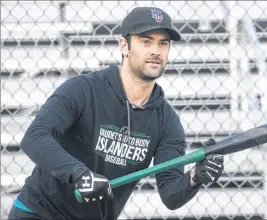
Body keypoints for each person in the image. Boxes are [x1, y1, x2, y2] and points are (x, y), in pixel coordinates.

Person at [7, 6, 224, 220]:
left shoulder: (166, 121)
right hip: (38, 213)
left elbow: (170, 194)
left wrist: (196, 177)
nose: (156, 51)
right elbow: (35, 137)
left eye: (163, 43)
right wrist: (80, 174)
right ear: (124, 46)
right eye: (146, 41)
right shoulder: (83, 90)